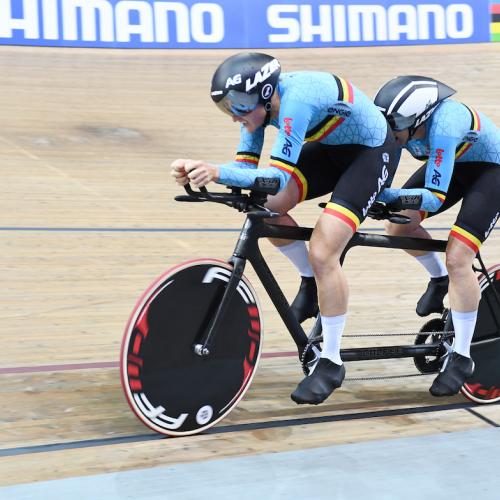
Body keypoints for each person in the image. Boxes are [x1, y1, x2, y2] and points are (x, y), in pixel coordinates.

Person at [171, 52, 399, 405]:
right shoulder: (257, 112)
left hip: (370, 155)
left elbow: (276, 177)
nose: (234, 115)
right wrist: (203, 173)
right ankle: (310, 280)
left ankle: (332, 360)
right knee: (265, 208)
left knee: (325, 251)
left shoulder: (296, 101)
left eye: (239, 105)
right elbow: (245, 168)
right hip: (331, 148)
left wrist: (215, 171)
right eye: (227, 107)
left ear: (264, 94)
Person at [373, 75, 500, 397]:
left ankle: (461, 355)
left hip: (491, 173)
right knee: (398, 225)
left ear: (418, 119)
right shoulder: (407, 126)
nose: (393, 133)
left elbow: (435, 197)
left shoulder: (445, 126)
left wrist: (388, 197)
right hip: (456, 164)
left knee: (459, 257)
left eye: (397, 126)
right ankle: (439, 278)